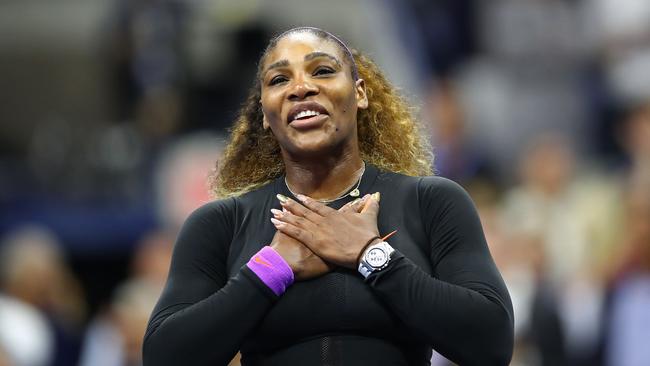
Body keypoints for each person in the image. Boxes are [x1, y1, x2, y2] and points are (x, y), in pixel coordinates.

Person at [143, 27, 513, 365]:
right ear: (266, 115)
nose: (300, 87)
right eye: (279, 79)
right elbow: (165, 356)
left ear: (360, 94)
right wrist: (271, 270)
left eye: (321, 71)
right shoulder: (221, 223)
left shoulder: (431, 202)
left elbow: (491, 342)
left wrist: (371, 255)